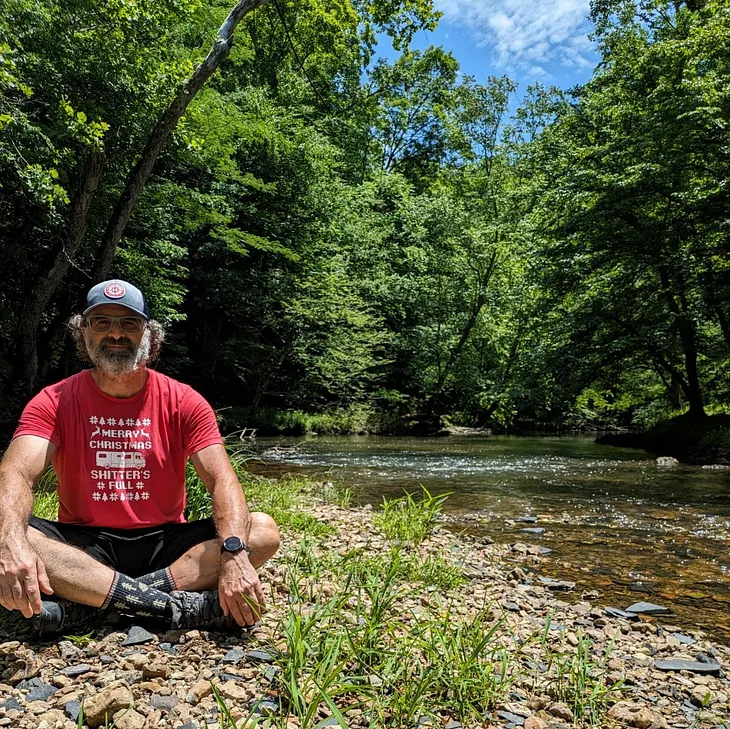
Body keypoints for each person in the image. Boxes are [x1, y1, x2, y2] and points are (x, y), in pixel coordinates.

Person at [0, 279, 280, 634]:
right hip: (83, 546)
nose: (115, 334)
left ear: (151, 335)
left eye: (129, 323)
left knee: (263, 532)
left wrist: (235, 552)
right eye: (102, 323)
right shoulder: (54, 400)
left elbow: (220, 479)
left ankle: (90, 607)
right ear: (83, 333)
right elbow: (17, 473)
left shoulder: (183, 400)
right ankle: (165, 607)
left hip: (166, 545)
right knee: (5, 529)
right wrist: (9, 541)